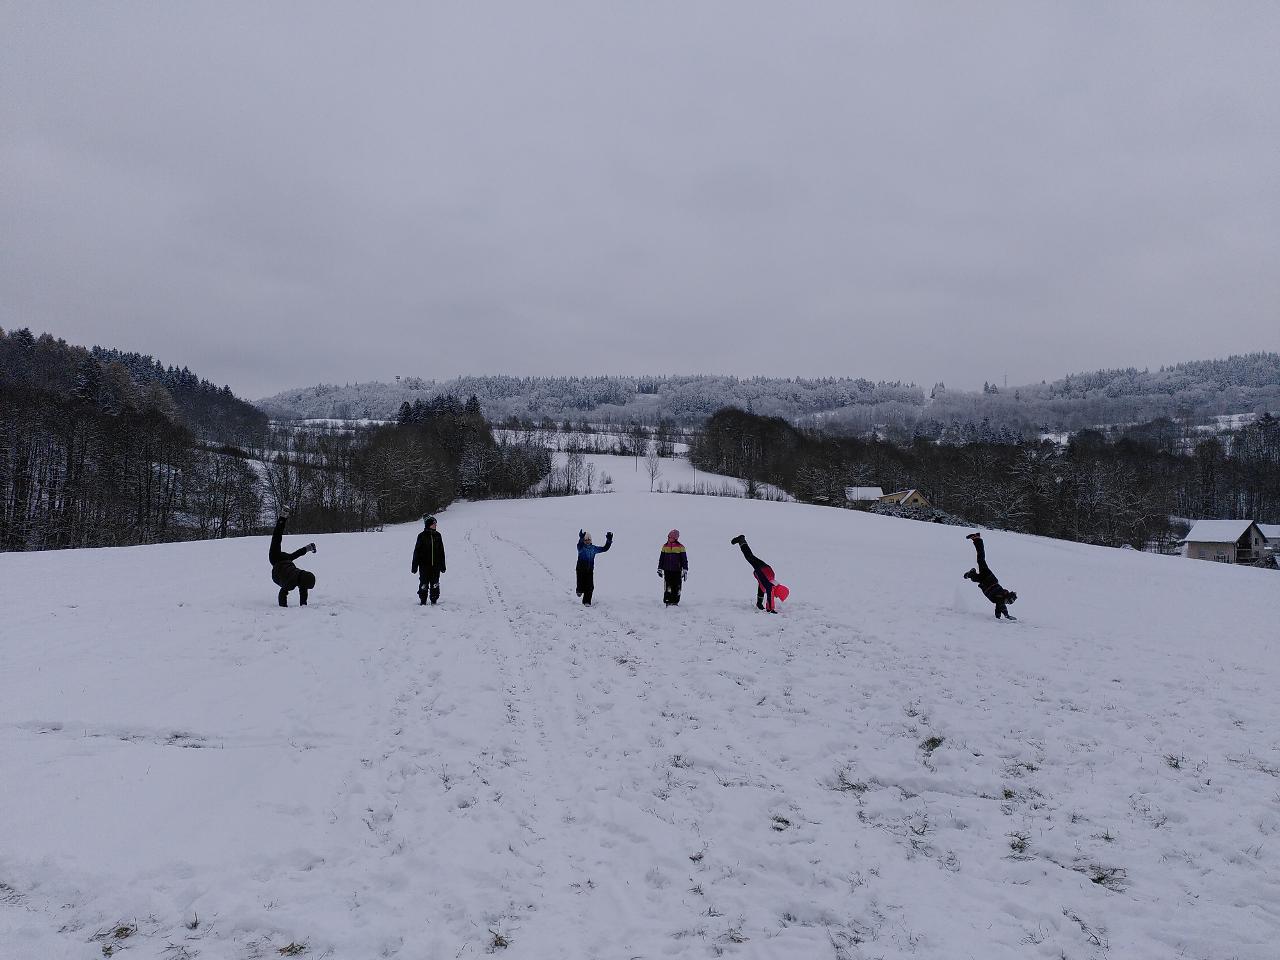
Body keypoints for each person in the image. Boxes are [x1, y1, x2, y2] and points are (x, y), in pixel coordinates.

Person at [963, 532, 1018, 620]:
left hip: (987, 579)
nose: (1006, 603)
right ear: (1007, 597)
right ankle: (977, 539)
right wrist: (1007, 615)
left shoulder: (1000, 597)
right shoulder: (1001, 596)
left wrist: (998, 617)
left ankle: (971, 573)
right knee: (980, 561)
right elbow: (1001, 605)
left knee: (979, 565)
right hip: (987, 578)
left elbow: (998, 607)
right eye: (1008, 602)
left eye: (1008, 603)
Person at [269, 506, 316, 607]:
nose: (305, 588)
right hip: (276, 560)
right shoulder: (290, 583)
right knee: (276, 538)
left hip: (285, 563)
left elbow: (303, 590)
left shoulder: (301, 576)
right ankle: (283, 517)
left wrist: (303, 605)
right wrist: (283, 607)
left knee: (289, 551)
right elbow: (282, 594)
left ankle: (309, 547)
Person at [731, 534, 778, 613]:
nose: (776, 597)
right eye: (777, 596)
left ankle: (759, 603)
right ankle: (741, 540)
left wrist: (759, 603)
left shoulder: (773, 585)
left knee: (761, 584)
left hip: (767, 570)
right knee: (749, 556)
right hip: (762, 569)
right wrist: (771, 609)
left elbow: (762, 587)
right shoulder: (770, 586)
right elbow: (770, 596)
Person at [412, 515, 446, 605]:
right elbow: (417, 552)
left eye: (435, 524)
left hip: (436, 566)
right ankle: (423, 600)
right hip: (424, 566)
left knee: (435, 583)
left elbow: (441, 551)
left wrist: (442, 565)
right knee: (424, 584)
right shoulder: (421, 536)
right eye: (434, 524)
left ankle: (434, 599)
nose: (435, 525)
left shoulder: (438, 535)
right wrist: (414, 566)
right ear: (429, 524)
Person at [575, 529, 613, 605]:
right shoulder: (581, 548)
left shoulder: (594, 548)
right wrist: (581, 538)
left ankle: (586, 602)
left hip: (589, 570)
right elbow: (579, 545)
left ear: (591, 540)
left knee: (590, 586)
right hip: (580, 570)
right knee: (581, 584)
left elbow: (604, 548)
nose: (587, 541)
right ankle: (579, 590)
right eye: (585, 540)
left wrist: (609, 541)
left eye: (588, 540)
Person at [657, 529, 689, 605]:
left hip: (677, 570)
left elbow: (684, 559)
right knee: (668, 586)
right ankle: (668, 600)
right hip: (667, 570)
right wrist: (660, 568)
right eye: (668, 537)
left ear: (675, 538)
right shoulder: (665, 546)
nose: (669, 538)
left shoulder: (681, 547)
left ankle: (675, 601)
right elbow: (661, 558)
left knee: (677, 586)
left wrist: (685, 569)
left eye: (671, 537)